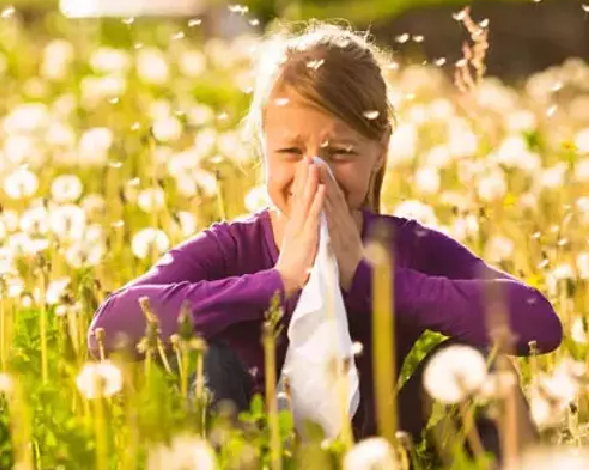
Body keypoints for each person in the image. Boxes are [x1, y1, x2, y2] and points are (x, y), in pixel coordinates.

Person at [88, 20, 563, 458]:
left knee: (484, 364)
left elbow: (538, 322)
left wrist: (372, 280)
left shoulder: (405, 246)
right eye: (292, 151)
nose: (314, 174)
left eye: (340, 152)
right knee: (206, 363)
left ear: (379, 154)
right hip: (249, 449)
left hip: (378, 452)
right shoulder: (232, 247)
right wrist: (278, 282)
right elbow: (109, 328)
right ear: (264, 150)